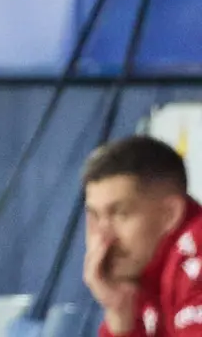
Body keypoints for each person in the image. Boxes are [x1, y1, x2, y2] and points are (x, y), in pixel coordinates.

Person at [83, 135, 202, 337]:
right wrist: (120, 314)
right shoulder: (143, 274)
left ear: (169, 215)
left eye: (120, 214)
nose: (102, 237)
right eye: (95, 216)